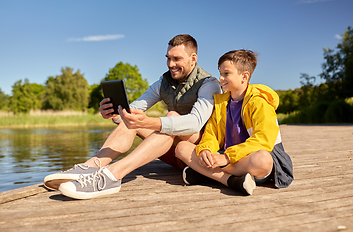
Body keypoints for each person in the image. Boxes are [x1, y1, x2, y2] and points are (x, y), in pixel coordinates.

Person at [43, 34, 222, 199]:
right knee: (133, 116)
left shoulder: (208, 84)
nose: (170, 64)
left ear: (193, 59)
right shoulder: (163, 82)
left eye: (176, 59)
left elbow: (195, 123)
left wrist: (151, 122)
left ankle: (112, 175)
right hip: (170, 150)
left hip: (196, 153)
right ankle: (92, 166)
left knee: (171, 117)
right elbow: (135, 109)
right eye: (168, 58)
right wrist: (116, 114)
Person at [175, 49, 293, 195]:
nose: (220, 78)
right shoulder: (221, 103)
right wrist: (206, 150)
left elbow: (263, 140)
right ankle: (231, 180)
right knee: (181, 148)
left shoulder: (259, 103)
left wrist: (225, 158)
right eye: (220, 73)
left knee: (263, 160)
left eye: (226, 73)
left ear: (244, 76)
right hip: (226, 157)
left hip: (247, 161)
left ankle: (207, 173)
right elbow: (211, 134)